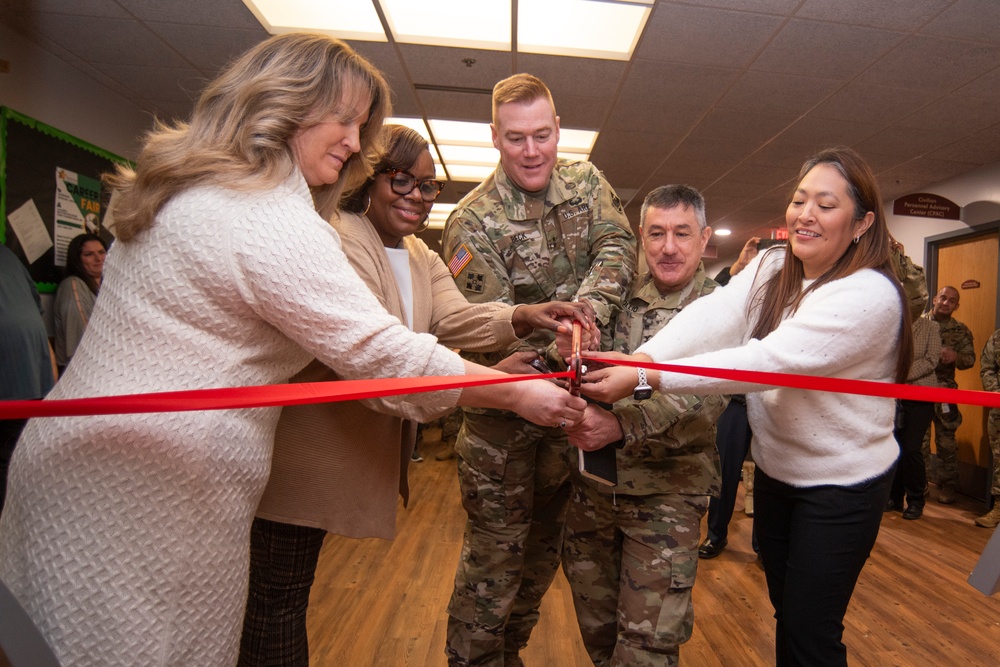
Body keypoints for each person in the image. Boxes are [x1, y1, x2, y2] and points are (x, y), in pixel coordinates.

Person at [0, 35, 586, 667]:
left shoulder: (202, 190)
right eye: (345, 119)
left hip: (101, 471)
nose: (356, 142)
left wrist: (514, 327)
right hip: (141, 493)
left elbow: (437, 324)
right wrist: (516, 391)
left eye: (362, 126)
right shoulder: (261, 216)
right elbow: (385, 357)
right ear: (285, 103)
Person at [239, 124, 592, 667]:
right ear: (367, 177)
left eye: (428, 187)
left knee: (283, 602)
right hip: (300, 461)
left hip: (344, 456)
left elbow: (457, 319)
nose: (418, 198)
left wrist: (523, 315)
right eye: (402, 181)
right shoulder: (336, 238)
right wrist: (505, 390)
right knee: (276, 606)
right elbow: (385, 358)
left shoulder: (419, 254)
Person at [572, 147, 913, 667]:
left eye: (826, 204)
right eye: (800, 200)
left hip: (842, 486)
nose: (806, 214)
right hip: (780, 472)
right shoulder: (778, 263)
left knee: (809, 631)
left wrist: (644, 376)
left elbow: (764, 362)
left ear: (863, 222)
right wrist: (645, 355)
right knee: (787, 612)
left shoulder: (869, 294)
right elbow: (717, 313)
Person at [440, 72, 637, 667]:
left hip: (565, 423)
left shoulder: (585, 182)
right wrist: (569, 339)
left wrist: (588, 311)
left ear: (558, 130)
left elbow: (617, 247)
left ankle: (510, 656)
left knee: (539, 564)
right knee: (493, 569)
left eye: (542, 135)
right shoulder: (470, 223)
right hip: (504, 436)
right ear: (495, 138)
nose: (532, 152)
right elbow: (491, 336)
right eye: (517, 138)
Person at [561, 185, 726, 666]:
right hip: (595, 492)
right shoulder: (617, 298)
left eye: (681, 233)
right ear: (641, 236)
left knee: (645, 649)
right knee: (598, 635)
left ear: (704, 239)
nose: (668, 247)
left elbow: (704, 399)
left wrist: (619, 427)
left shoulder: (720, 309)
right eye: (656, 233)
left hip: (666, 500)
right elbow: (584, 365)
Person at [699, 236, 761, 560]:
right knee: (724, 472)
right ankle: (716, 535)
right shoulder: (735, 301)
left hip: (769, 403)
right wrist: (735, 268)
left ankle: (764, 546)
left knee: (766, 477)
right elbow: (712, 299)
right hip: (735, 402)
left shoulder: (786, 303)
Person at [0, 245, 57, 515]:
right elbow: (35, 303)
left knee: (6, 453)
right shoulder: (8, 254)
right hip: (34, 363)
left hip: (10, 368)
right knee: (23, 445)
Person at [920, 286, 975, 504]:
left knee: (947, 441)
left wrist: (956, 357)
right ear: (934, 299)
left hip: (945, 392)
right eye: (943, 298)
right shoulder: (919, 324)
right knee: (919, 441)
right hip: (920, 390)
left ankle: (948, 485)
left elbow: (970, 359)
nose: (946, 303)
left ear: (956, 306)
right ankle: (920, 484)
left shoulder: (960, 330)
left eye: (952, 301)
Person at [885, 314, 941, 520]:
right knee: (894, 447)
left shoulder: (930, 327)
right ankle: (895, 497)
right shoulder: (894, 324)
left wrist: (901, 375)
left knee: (911, 448)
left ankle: (916, 499)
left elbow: (931, 359)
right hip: (895, 397)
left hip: (921, 396)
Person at [53, 232, 108, 372]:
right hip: (81, 370)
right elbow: (80, 340)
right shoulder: (73, 285)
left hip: (102, 366)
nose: (98, 259)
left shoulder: (107, 285)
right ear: (77, 260)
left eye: (102, 252)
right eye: (89, 254)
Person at [977, 328, 1000, 528]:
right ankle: (999, 508)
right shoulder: (997, 337)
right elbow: (987, 369)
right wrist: (997, 395)